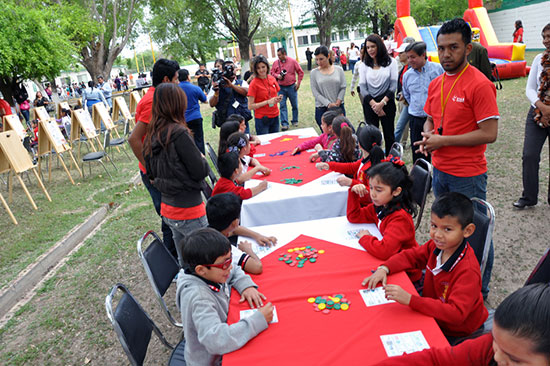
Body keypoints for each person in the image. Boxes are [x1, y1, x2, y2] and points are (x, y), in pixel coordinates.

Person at [416, 18, 499, 298]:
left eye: (453, 47)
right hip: (440, 171)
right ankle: (450, 287)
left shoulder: (479, 84)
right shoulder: (436, 82)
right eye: (441, 48)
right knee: (448, 235)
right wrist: (429, 138)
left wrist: (443, 141)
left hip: (468, 175)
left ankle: (478, 294)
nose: (446, 54)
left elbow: (489, 133)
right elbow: (430, 119)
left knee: (473, 239)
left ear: (468, 48)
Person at [363, 192, 488, 340]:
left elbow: (456, 314)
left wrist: (411, 300)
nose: (437, 235)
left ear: (467, 231)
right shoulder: (436, 246)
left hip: (457, 330)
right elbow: (412, 256)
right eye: (434, 226)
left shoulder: (468, 270)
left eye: (447, 229)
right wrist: (385, 268)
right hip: (432, 311)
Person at [372, 283, 550, 366]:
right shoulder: (493, 347)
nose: (497, 358)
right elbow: (438, 360)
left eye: (515, 360)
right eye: (495, 340)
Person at [176, 228, 273, 366]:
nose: (229, 266)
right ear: (201, 270)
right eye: (225, 263)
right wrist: (258, 320)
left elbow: (235, 268)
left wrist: (246, 286)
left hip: (223, 339)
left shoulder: (213, 271)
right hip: (212, 360)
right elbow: (216, 341)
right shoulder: (200, 298)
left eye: (230, 258)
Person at [142, 83, 209, 253]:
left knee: (185, 260)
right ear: (178, 104)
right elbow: (200, 171)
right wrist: (201, 158)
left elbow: (150, 173)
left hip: (169, 209)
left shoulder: (151, 135)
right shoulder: (179, 133)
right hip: (189, 209)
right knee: (205, 257)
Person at [128, 58, 180, 256]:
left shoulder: (158, 97)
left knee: (171, 215)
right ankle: (173, 260)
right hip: (156, 172)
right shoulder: (153, 101)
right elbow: (134, 139)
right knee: (169, 216)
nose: (178, 83)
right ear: (166, 79)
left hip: (162, 168)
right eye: (175, 79)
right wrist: (151, 170)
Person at [348, 159, 420, 281]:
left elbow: (385, 251)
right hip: (391, 263)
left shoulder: (399, 218)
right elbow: (354, 216)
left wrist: (365, 237)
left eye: (379, 190)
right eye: (371, 187)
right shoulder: (381, 205)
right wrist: (353, 193)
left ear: (396, 191)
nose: (373, 194)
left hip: (406, 273)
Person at [514, 23, 550, 209]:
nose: (545, 41)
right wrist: (542, 107)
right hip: (536, 112)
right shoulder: (538, 59)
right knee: (529, 155)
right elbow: (529, 89)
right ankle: (529, 197)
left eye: (549, 36)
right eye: (544, 36)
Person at [206, 193, 277, 274]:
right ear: (236, 222)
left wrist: (257, 236)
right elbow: (257, 267)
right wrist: (247, 250)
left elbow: (234, 230)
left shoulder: (213, 230)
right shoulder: (224, 248)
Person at [316, 124, 385, 206]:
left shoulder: (372, 167)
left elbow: (373, 194)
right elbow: (351, 167)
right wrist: (329, 165)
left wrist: (351, 182)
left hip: (366, 207)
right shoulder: (367, 159)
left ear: (359, 145)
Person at [402, 41, 444, 163]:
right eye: (408, 57)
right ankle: (422, 181)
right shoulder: (407, 75)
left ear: (423, 55)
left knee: (437, 153)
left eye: (413, 57)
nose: (410, 60)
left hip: (435, 119)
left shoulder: (438, 70)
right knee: (419, 153)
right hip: (416, 119)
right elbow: (407, 95)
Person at [359, 34, 398, 155]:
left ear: (379, 46)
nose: (370, 50)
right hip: (370, 104)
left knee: (389, 135)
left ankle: (392, 162)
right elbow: (363, 88)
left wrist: (382, 103)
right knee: (372, 138)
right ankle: (374, 162)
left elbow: (393, 86)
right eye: (368, 47)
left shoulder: (391, 62)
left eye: (373, 46)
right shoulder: (363, 65)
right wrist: (374, 105)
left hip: (387, 102)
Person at [208, 60, 252, 132]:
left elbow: (248, 92)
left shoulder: (241, 83)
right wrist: (216, 93)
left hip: (242, 121)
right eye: (227, 68)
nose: (230, 70)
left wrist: (232, 86)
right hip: (227, 123)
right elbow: (212, 104)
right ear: (222, 71)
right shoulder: (217, 84)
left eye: (232, 68)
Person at [310, 46, 347, 130]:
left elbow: (343, 87)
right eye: (317, 59)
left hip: (338, 107)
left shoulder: (339, 70)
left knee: (340, 133)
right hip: (322, 108)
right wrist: (328, 104)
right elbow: (315, 92)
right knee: (327, 137)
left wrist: (338, 101)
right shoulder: (314, 73)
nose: (319, 62)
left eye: (321, 59)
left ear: (328, 56)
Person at [271, 48, 304, 130]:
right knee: (282, 105)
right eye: (277, 55)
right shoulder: (275, 63)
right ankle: (284, 124)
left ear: (284, 53)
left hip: (291, 87)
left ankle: (295, 120)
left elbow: (300, 72)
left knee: (294, 105)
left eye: (279, 55)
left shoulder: (293, 61)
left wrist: (298, 83)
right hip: (281, 88)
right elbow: (272, 72)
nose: (278, 57)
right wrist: (277, 76)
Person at [247, 55, 282, 135]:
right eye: (258, 68)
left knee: (276, 141)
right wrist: (267, 102)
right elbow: (250, 106)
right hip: (262, 118)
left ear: (267, 66)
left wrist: (278, 99)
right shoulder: (254, 83)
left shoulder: (272, 78)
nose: (261, 70)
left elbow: (275, 94)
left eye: (263, 67)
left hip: (275, 115)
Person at [178, 68, 207, 154]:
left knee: (187, 142)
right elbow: (204, 100)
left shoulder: (176, 90)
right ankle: (202, 159)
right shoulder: (195, 88)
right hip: (196, 117)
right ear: (188, 77)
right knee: (199, 140)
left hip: (183, 120)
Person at [394, 38, 415, 147]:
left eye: (401, 53)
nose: (398, 55)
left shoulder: (411, 69)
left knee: (402, 125)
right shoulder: (404, 68)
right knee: (401, 125)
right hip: (406, 102)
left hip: (411, 103)